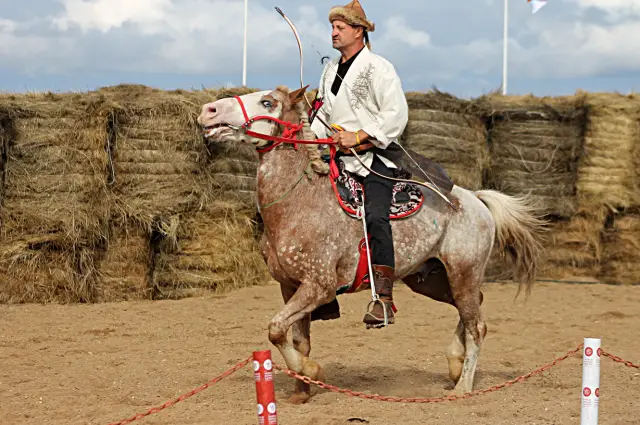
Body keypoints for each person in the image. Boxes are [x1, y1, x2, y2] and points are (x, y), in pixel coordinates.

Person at [309, 0, 409, 328]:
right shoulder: (329, 70)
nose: (333, 33)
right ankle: (324, 296)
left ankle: (384, 301)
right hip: (339, 161)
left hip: (375, 160)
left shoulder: (380, 68)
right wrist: (312, 140)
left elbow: (396, 115)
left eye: (340, 28)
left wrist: (359, 135)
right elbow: (323, 114)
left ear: (359, 31)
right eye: (332, 28)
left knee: (376, 218)